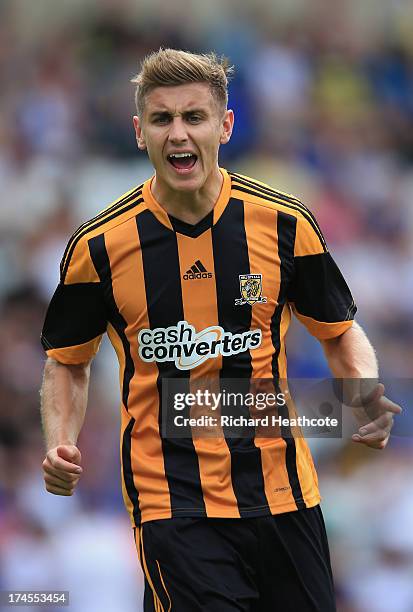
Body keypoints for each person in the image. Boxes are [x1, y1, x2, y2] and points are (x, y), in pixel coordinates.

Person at [40, 48, 401, 611]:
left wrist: (363, 391)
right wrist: (60, 442)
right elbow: (67, 359)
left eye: (194, 117)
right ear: (140, 132)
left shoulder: (285, 224)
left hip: (286, 497)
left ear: (225, 125)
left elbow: (337, 330)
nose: (178, 134)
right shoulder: (98, 248)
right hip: (173, 507)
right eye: (162, 119)